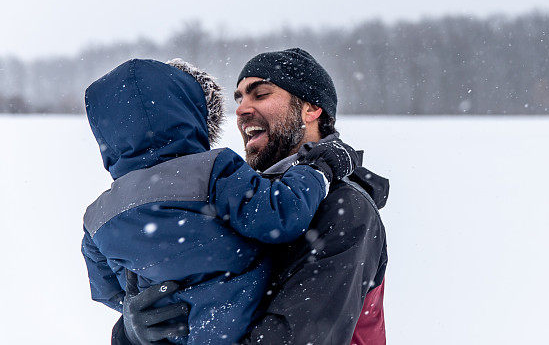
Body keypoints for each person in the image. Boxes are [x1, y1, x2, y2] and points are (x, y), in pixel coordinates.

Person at [113, 48, 389, 345]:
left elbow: (299, 336)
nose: (242, 110)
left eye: (260, 95)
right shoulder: (247, 201)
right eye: (240, 98)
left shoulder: (345, 206)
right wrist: (131, 334)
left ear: (311, 109)